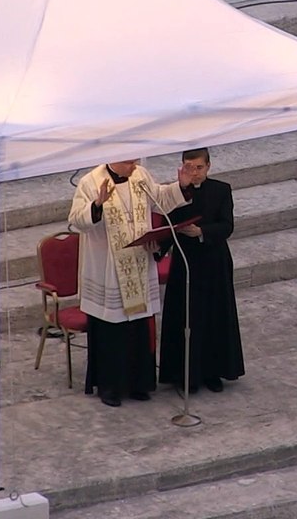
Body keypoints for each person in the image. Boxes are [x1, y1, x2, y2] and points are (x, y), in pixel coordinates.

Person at [69, 158, 191, 407]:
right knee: (112, 330)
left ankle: (139, 383)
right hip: (109, 269)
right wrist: (97, 205)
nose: (134, 166)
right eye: (129, 162)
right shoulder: (90, 182)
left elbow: (160, 200)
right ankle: (110, 387)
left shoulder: (140, 175)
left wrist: (181, 186)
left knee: (137, 327)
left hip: (138, 262)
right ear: (113, 158)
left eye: (135, 161)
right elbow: (76, 220)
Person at [158, 148, 245, 394]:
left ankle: (212, 372)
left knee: (214, 317)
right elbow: (167, 226)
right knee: (184, 317)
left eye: (198, 168)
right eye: (188, 167)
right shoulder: (175, 193)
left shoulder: (221, 190)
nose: (194, 173)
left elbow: (227, 226)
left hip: (214, 262)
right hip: (185, 264)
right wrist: (158, 249)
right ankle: (184, 375)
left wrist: (202, 232)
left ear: (208, 167)